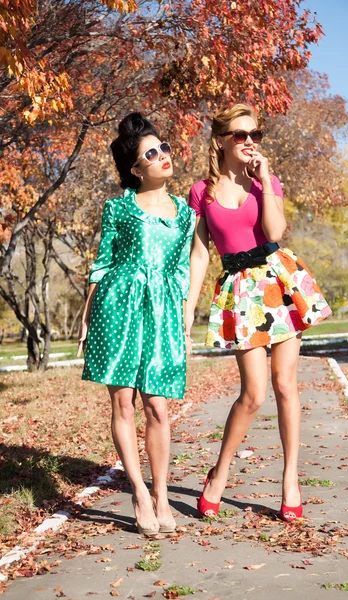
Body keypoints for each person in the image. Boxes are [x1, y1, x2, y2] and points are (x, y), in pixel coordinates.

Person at [186, 104, 331, 521]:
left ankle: (290, 479)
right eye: (240, 134)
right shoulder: (201, 192)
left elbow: (274, 232)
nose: (250, 141)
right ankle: (219, 474)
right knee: (253, 394)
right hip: (239, 292)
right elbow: (199, 255)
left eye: (255, 134)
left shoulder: (266, 182)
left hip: (278, 283)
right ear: (220, 140)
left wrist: (265, 181)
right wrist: (187, 311)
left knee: (286, 385)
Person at [78, 113, 195, 536]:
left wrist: (184, 315)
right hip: (118, 305)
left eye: (163, 147)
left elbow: (181, 268)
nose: (163, 155)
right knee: (123, 403)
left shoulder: (185, 214)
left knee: (157, 407)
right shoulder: (117, 208)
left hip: (162, 309)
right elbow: (102, 263)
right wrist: (88, 316)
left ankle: (162, 492)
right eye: (152, 152)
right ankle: (140, 494)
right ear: (135, 169)